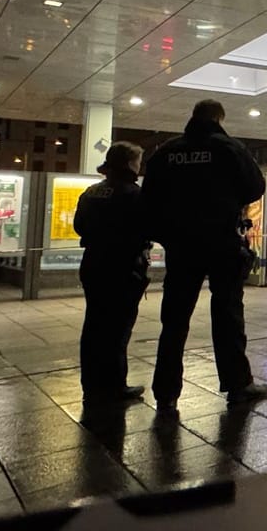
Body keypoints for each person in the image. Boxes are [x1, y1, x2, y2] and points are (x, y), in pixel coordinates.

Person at [141, 99, 267, 411]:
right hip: (221, 241)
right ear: (219, 118)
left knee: (174, 318)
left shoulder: (168, 152)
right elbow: (255, 187)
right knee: (227, 313)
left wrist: (166, 232)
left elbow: (149, 198)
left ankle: (165, 391)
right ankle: (238, 384)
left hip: (182, 244)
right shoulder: (228, 148)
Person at [73, 141, 151, 408]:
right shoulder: (134, 194)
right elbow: (146, 229)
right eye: (138, 162)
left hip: (93, 264)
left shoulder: (92, 192)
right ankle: (115, 385)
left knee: (93, 325)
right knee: (118, 329)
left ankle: (91, 385)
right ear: (130, 163)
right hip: (123, 268)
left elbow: (79, 226)